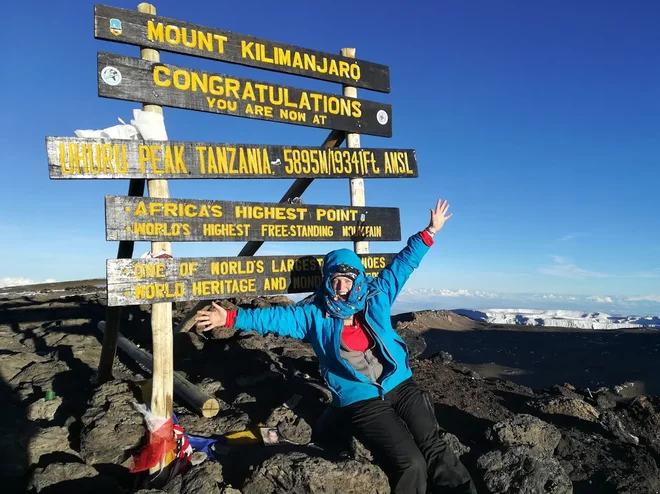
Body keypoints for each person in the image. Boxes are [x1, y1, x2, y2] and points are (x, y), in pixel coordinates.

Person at [194, 199, 477, 494]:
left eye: (348, 278)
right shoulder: (313, 314)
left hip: (400, 383)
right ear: (328, 281)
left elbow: (402, 266)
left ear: (358, 279)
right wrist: (228, 316)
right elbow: (272, 318)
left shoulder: (375, 296)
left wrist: (430, 231)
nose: (342, 286)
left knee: (435, 446)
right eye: (336, 279)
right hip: (361, 398)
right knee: (411, 463)